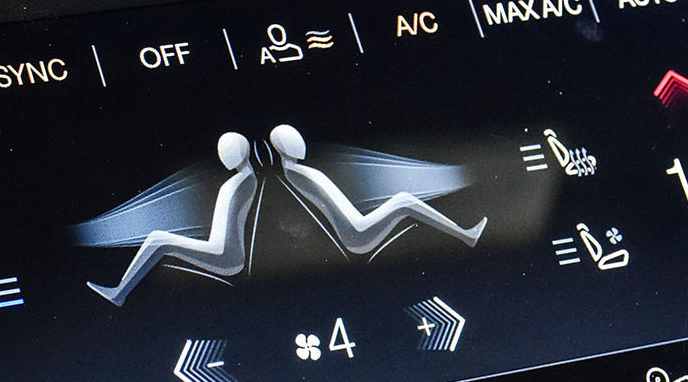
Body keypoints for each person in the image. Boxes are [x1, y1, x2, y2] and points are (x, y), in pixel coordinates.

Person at [87, 132, 258, 306]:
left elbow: (226, 235)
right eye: (222, 151)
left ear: (241, 151)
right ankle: (119, 292)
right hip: (222, 251)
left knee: (157, 239)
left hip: (224, 255)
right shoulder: (242, 180)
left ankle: (119, 293)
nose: (224, 156)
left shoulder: (242, 181)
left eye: (228, 150)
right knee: (158, 239)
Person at [268, 124, 485, 254]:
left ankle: (465, 235)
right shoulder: (298, 173)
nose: (300, 144)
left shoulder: (298, 172)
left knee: (403, 200)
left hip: (357, 227)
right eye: (292, 140)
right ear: (283, 145)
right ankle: (465, 235)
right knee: (404, 200)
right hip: (356, 234)